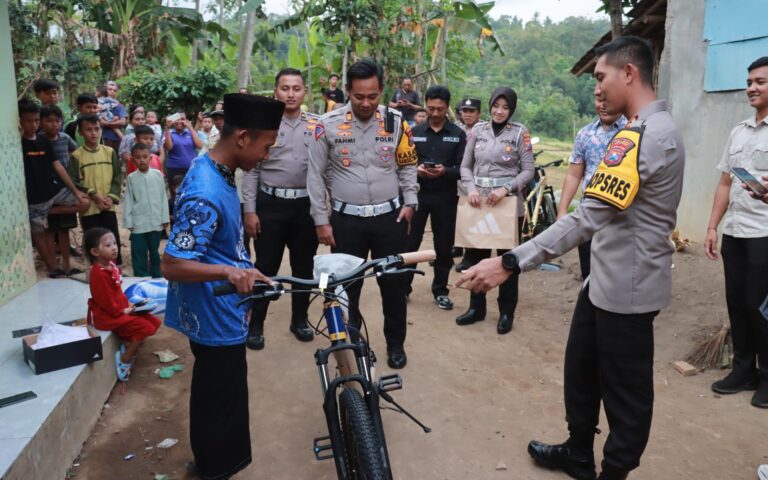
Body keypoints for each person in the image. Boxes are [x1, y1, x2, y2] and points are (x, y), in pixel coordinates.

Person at [457, 36, 685, 480]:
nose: (597, 88)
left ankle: (611, 472)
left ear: (629, 74)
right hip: (603, 279)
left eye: (601, 77)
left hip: (628, 289)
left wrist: (508, 262)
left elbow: (587, 217)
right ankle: (578, 451)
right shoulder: (643, 131)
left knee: (626, 396)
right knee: (580, 369)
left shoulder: (644, 137)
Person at [161, 93, 283, 480]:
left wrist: (245, 268)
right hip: (215, 318)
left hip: (222, 310)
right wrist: (229, 274)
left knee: (217, 396)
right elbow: (173, 264)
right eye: (266, 146)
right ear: (243, 138)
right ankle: (214, 471)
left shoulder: (219, 171)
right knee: (219, 401)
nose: (267, 155)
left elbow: (217, 244)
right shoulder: (205, 192)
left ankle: (213, 464)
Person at [308, 58, 419, 369]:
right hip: (346, 221)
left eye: (373, 96)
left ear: (382, 90)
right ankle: (353, 342)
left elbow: (408, 164)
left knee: (394, 287)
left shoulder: (397, 122)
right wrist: (320, 219)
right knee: (345, 288)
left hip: (390, 218)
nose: (366, 103)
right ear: (347, 91)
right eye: (359, 96)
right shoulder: (326, 124)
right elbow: (315, 175)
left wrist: (410, 202)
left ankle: (395, 345)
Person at [704, 56, 768, 409]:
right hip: (737, 232)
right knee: (738, 303)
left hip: (765, 234)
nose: (752, 88)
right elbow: (725, 182)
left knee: (762, 307)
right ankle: (744, 370)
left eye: (760, 81)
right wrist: (713, 226)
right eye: (749, 82)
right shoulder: (739, 132)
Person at [242, 68, 319, 350]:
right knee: (265, 266)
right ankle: (256, 324)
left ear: (304, 92)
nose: (290, 93)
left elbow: (325, 170)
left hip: (304, 207)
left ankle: (300, 319)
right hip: (269, 206)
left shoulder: (316, 125)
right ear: (275, 91)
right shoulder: (263, 125)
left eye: (296, 88)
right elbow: (250, 171)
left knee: (304, 267)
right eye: (284, 88)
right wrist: (250, 210)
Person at [456, 87, 533, 335]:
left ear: (511, 109)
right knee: (476, 258)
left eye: (505, 107)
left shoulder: (520, 133)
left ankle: (506, 311)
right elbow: (465, 166)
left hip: (507, 205)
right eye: (496, 106)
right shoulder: (478, 131)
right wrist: (471, 188)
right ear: (489, 107)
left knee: (507, 261)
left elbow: (528, 170)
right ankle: (476, 308)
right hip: (479, 203)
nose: (500, 111)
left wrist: (506, 188)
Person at [405, 85, 466, 310]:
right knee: (411, 242)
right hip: (418, 196)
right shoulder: (414, 132)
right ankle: (404, 288)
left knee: (444, 246)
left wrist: (444, 171)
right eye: (431, 108)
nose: (436, 113)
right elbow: (405, 163)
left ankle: (440, 290)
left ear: (447, 108)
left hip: (446, 197)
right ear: (426, 105)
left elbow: (463, 168)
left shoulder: (458, 135)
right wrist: (417, 170)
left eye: (440, 109)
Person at [558, 93, 627, 280]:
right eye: (599, 101)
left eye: (608, 100)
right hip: (588, 213)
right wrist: (562, 209)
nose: (603, 105)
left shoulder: (632, 131)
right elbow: (574, 174)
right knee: (588, 273)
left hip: (620, 216)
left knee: (617, 275)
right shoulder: (585, 134)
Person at [19, 100, 90, 278]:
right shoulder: (17, 142)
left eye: (36, 120)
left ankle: (49, 211)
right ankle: (53, 268)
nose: (33, 124)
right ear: (19, 120)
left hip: (53, 191)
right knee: (39, 234)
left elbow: (58, 166)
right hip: (33, 198)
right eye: (29, 121)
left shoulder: (43, 139)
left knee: (84, 201)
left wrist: (75, 191)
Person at [85, 227, 161, 381]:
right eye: (108, 245)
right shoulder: (98, 274)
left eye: (115, 243)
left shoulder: (110, 265)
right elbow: (106, 302)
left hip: (121, 310)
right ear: (94, 252)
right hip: (108, 316)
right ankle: (125, 358)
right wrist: (125, 311)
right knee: (145, 327)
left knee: (153, 322)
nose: (114, 247)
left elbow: (117, 294)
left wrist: (132, 307)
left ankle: (129, 344)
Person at [68, 114, 124, 265]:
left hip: (108, 204)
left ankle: (115, 267)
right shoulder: (76, 155)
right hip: (90, 207)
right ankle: (95, 268)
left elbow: (117, 176)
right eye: (88, 130)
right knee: (92, 238)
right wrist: (92, 193)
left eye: (96, 129)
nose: (93, 133)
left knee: (112, 236)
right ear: (80, 132)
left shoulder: (109, 152)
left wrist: (111, 197)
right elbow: (72, 180)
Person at [39, 105, 81, 276]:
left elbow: (77, 152)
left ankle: (66, 264)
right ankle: (54, 266)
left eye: (57, 121)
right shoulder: (39, 140)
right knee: (49, 231)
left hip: (66, 187)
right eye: (49, 121)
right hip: (47, 189)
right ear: (41, 122)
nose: (53, 124)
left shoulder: (64, 138)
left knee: (64, 230)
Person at [124, 143, 169, 278]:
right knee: (139, 251)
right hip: (138, 222)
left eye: (145, 157)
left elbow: (163, 197)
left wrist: (164, 218)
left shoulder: (158, 175)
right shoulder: (131, 178)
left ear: (150, 158)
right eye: (138, 157)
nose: (141, 160)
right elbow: (129, 200)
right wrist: (129, 221)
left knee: (154, 252)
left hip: (155, 220)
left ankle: (156, 275)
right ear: (132, 159)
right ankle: (140, 275)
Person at [454, 97, 483, 270]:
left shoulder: (484, 129)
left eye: (471, 111)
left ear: (479, 113)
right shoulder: (457, 129)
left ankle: (470, 257)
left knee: (474, 219)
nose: (468, 114)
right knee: (460, 218)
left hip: (477, 180)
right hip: (458, 179)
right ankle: (457, 248)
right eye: (465, 111)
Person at [164, 112, 203, 185]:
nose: (179, 122)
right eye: (177, 119)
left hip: (191, 169)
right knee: (175, 193)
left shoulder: (190, 132)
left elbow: (200, 145)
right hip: (175, 170)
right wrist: (167, 129)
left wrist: (190, 128)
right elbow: (169, 147)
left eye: (182, 119)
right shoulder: (169, 133)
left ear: (186, 120)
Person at [98, 83, 126, 150]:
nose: (112, 91)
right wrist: (115, 122)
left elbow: (123, 122)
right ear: (105, 90)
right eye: (110, 89)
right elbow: (100, 122)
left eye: (114, 90)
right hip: (102, 138)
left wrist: (107, 123)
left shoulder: (119, 106)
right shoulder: (99, 103)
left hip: (117, 140)